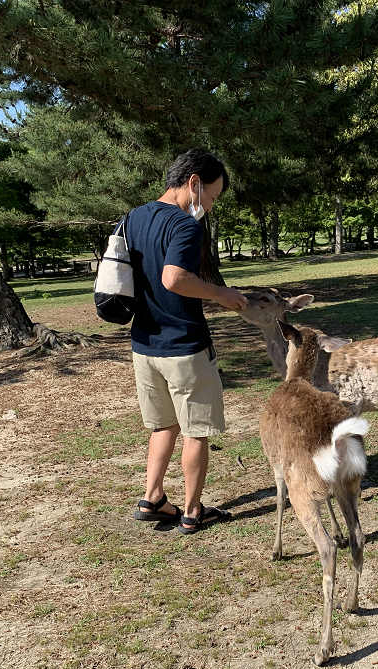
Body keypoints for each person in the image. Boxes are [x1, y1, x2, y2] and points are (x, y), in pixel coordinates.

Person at [126, 148, 248, 533]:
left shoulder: (133, 217)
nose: (209, 207)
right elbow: (174, 278)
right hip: (184, 348)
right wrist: (220, 294)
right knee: (196, 430)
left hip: (144, 346)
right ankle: (193, 511)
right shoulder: (185, 225)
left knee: (163, 426)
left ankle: (153, 498)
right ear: (193, 183)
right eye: (211, 197)